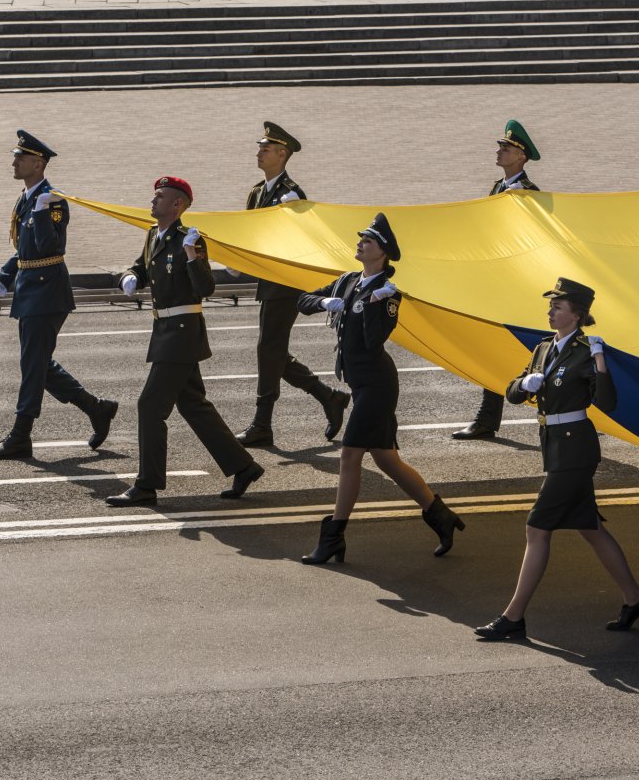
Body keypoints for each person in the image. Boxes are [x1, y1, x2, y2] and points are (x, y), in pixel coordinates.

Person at [474, 279, 639, 641]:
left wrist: (601, 361)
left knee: (536, 528)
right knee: (590, 529)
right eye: (551, 306)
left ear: (577, 314)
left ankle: (513, 617)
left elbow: (607, 403)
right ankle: (635, 599)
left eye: (557, 306)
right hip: (554, 445)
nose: (550, 311)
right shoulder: (543, 348)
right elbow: (511, 391)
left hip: (576, 450)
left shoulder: (587, 351)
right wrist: (524, 386)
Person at [297, 213, 465, 563]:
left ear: (382, 253)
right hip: (361, 384)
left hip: (378, 384)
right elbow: (303, 301)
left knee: (349, 455)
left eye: (368, 241)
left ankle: (333, 537)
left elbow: (373, 342)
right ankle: (440, 516)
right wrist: (325, 302)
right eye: (360, 238)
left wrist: (375, 309)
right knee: (387, 460)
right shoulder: (347, 281)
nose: (360, 243)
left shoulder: (387, 294)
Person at [105, 177, 264, 506]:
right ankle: (243, 466)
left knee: (150, 405)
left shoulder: (189, 240)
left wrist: (193, 255)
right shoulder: (153, 235)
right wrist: (129, 277)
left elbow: (206, 288)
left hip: (181, 331)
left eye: (160, 196)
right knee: (193, 405)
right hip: (164, 331)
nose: (153, 200)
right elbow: (141, 267)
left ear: (177, 205)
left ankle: (147, 485)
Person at [0, 130, 117, 460]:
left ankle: (21, 435)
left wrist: (43, 212)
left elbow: (50, 246)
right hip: (31, 289)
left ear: (38, 163)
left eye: (21, 157)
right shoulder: (29, 196)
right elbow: (24, 247)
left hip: (47, 291)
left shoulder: (51, 200)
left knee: (33, 364)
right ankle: (96, 408)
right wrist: (6, 273)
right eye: (15, 156)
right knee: (38, 364)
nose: (14, 161)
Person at [232, 122, 350, 448]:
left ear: (282, 154)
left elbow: (303, 240)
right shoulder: (257, 192)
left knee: (268, 348)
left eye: (265, 148)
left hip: (286, 284)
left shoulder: (292, 194)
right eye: (260, 147)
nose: (259, 152)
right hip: (268, 281)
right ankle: (329, 397)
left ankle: (262, 423)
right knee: (274, 351)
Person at [452, 120, 541, 441]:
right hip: (495, 283)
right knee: (491, 351)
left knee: (541, 354)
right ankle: (486, 419)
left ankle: (582, 411)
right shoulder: (498, 188)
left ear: (521, 157)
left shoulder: (528, 194)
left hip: (518, 287)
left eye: (506, 148)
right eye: (500, 147)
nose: (499, 152)